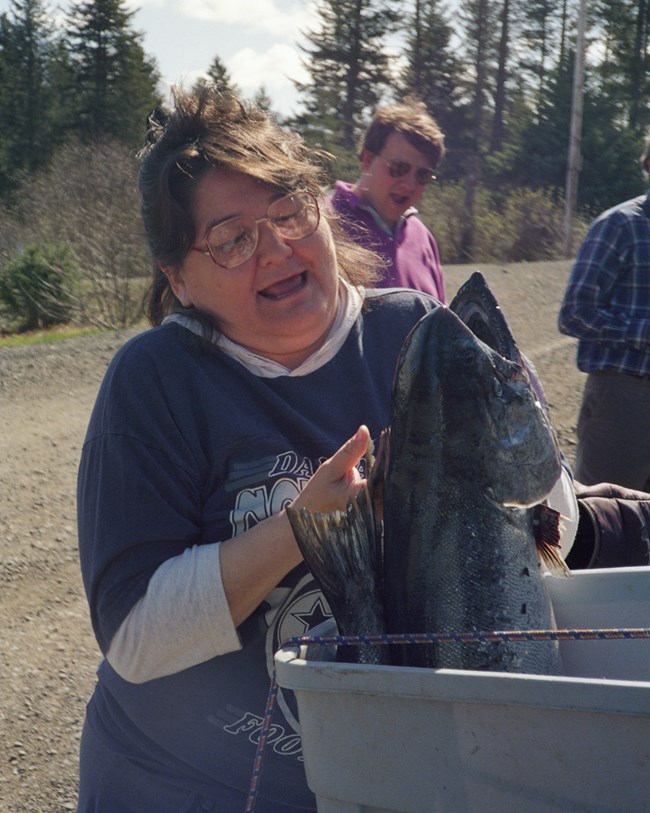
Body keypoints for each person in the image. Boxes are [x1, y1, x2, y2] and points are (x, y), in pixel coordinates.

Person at [75, 85, 445, 813]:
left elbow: (531, 519)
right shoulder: (156, 380)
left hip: (379, 779)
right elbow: (134, 637)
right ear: (178, 277)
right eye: (231, 237)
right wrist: (299, 528)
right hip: (175, 779)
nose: (276, 248)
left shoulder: (415, 335)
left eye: (289, 209)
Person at [558, 141, 650, 492]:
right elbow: (574, 314)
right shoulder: (620, 225)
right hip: (623, 400)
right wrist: (642, 331)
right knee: (604, 524)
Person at [327, 99, 447, 301]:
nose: (409, 184)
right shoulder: (323, 223)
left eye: (423, 175)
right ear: (368, 160)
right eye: (399, 168)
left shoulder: (422, 237)